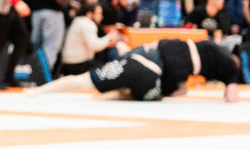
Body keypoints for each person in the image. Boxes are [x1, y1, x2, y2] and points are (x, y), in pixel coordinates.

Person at [29, 38, 241, 103]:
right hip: (156, 80)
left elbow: (156, 44)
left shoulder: (210, 46)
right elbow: (231, 97)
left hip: (147, 60)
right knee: (132, 92)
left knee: (84, 80)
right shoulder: (231, 70)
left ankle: (39, 91)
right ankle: (109, 95)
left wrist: (127, 51)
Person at [59, 2, 117, 75]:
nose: (102, 17)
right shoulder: (88, 24)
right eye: (99, 13)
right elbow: (95, 46)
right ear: (89, 14)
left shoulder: (78, 20)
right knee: (106, 71)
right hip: (76, 64)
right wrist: (110, 37)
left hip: (68, 63)